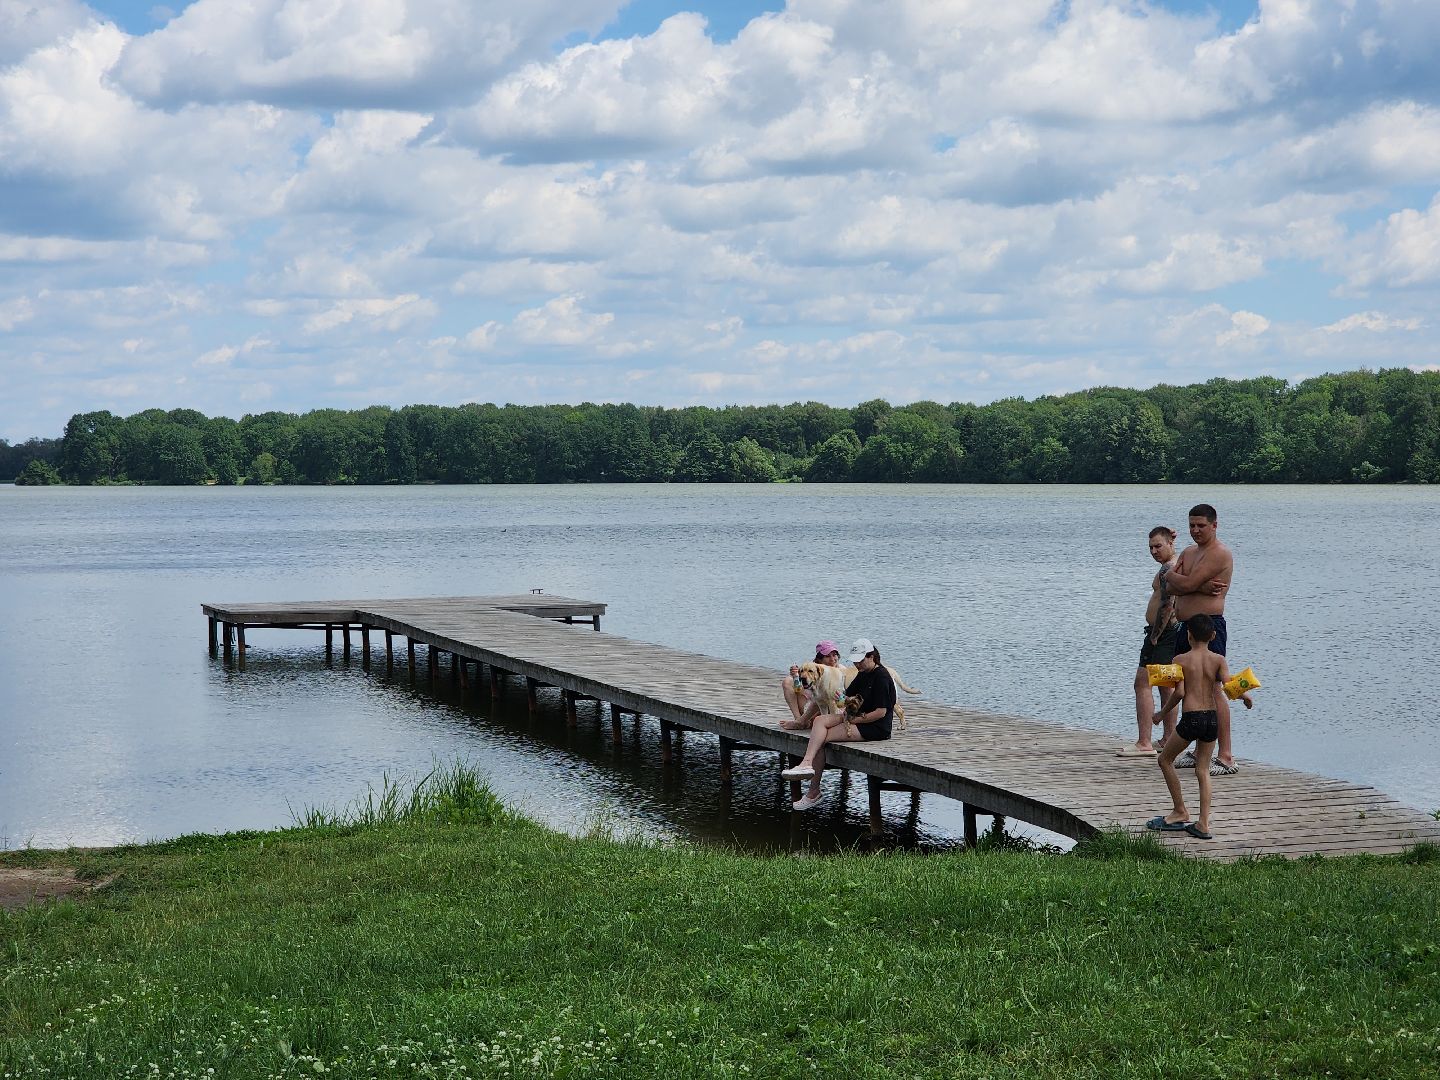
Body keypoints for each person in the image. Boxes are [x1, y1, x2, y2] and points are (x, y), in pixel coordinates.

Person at [1145, 614, 1253, 839]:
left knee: (1164, 760)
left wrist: (1161, 714)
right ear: (1213, 636)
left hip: (1192, 718)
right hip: (1212, 719)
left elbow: (1181, 693)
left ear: (1189, 635)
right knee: (1202, 770)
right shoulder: (1218, 660)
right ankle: (1203, 823)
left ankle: (1179, 810)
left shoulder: (1180, 659)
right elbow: (1228, 686)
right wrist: (1245, 698)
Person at [1163, 503, 1238, 774]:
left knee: (1214, 688)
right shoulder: (1188, 552)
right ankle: (1198, 751)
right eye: (1192, 525)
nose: (1195, 530)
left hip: (1209, 627)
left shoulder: (1220, 554)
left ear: (1214, 525)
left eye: (1201, 526)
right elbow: (1171, 585)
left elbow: (1186, 584)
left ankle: (1226, 755)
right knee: (1188, 687)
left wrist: (1179, 578)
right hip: (1185, 627)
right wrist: (1178, 579)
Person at [781, 638, 895, 810]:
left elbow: (881, 712)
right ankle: (806, 763)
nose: (857, 664)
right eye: (855, 661)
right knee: (819, 721)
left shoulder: (882, 677)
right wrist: (842, 700)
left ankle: (813, 792)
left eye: (861, 660)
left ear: (872, 656)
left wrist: (854, 719)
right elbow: (847, 699)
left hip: (874, 727)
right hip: (853, 715)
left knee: (822, 737)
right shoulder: (863, 674)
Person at [1120, 525, 1181, 756]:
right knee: (1166, 685)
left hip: (1164, 633)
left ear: (1170, 544)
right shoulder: (1176, 562)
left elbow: (1168, 604)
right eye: (1151, 547)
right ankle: (1168, 738)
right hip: (1166, 633)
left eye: (1158, 546)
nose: (1154, 551)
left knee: (1142, 683)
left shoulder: (1169, 568)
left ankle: (1144, 742)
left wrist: (1155, 635)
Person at [782, 640, 841, 727]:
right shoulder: (813, 669)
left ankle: (800, 722)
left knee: (820, 694)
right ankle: (799, 720)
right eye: (828, 656)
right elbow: (798, 688)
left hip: (835, 709)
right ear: (819, 659)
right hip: (817, 709)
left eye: (834, 655)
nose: (832, 659)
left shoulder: (841, 671)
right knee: (788, 682)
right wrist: (796, 676)